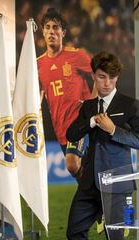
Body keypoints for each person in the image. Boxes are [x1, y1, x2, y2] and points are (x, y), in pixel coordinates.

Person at [66, 51, 139, 239]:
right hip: (88, 183)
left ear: (117, 77)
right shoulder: (88, 106)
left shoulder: (130, 105)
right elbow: (71, 134)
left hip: (117, 183)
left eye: (112, 78)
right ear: (93, 75)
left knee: (115, 237)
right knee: (74, 232)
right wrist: (91, 122)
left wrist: (113, 130)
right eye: (102, 77)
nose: (107, 83)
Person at [37, 8, 96, 177]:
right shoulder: (38, 64)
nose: (51, 31)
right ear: (43, 31)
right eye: (47, 27)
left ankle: (93, 195)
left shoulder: (76, 55)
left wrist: (92, 101)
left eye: (56, 27)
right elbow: (38, 93)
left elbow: (99, 74)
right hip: (59, 127)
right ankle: (95, 197)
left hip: (80, 121)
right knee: (80, 171)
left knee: (71, 164)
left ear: (63, 32)